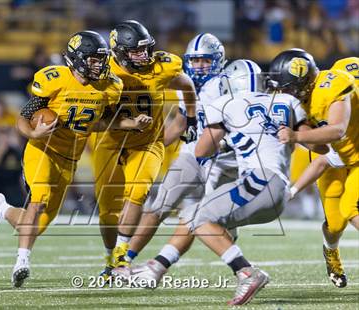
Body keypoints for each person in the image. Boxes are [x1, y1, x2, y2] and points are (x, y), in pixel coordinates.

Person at [113, 59, 328, 306]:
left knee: (199, 218)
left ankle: (246, 272)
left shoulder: (225, 103)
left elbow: (202, 150)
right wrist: (295, 136)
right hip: (276, 190)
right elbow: (319, 146)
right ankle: (157, 266)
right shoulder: (285, 101)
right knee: (197, 215)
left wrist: (227, 140)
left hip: (258, 181)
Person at [0, 30, 151, 288]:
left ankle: (2, 209)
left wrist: (131, 123)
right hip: (42, 149)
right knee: (39, 200)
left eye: (102, 59)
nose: (101, 64)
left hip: (70, 156)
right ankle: (22, 262)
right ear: (78, 59)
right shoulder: (55, 79)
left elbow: (103, 122)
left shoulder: (109, 86)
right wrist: (34, 132)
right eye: (94, 59)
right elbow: (22, 117)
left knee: (41, 223)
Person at [89, 20, 198, 279]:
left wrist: (191, 119)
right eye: (136, 51)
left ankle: (122, 257)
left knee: (138, 192)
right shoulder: (104, 71)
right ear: (119, 53)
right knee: (107, 211)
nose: (145, 55)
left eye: (145, 49)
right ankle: (110, 258)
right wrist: (128, 123)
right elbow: (96, 121)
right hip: (111, 141)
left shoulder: (162, 67)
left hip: (147, 143)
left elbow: (187, 86)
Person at [124, 33, 238, 264]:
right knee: (159, 205)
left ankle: (239, 266)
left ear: (218, 60)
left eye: (205, 60)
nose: (199, 65)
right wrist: (147, 147)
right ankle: (122, 260)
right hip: (193, 153)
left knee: (212, 219)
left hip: (225, 158)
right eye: (195, 60)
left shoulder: (227, 85)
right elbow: (180, 123)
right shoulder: (184, 86)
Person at [272, 53, 359, 288]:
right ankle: (331, 252)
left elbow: (338, 129)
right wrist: (291, 191)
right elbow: (323, 156)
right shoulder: (299, 105)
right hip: (338, 157)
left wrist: (296, 135)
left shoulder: (335, 85)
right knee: (335, 223)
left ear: (306, 81)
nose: (285, 94)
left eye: (289, 87)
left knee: (351, 208)